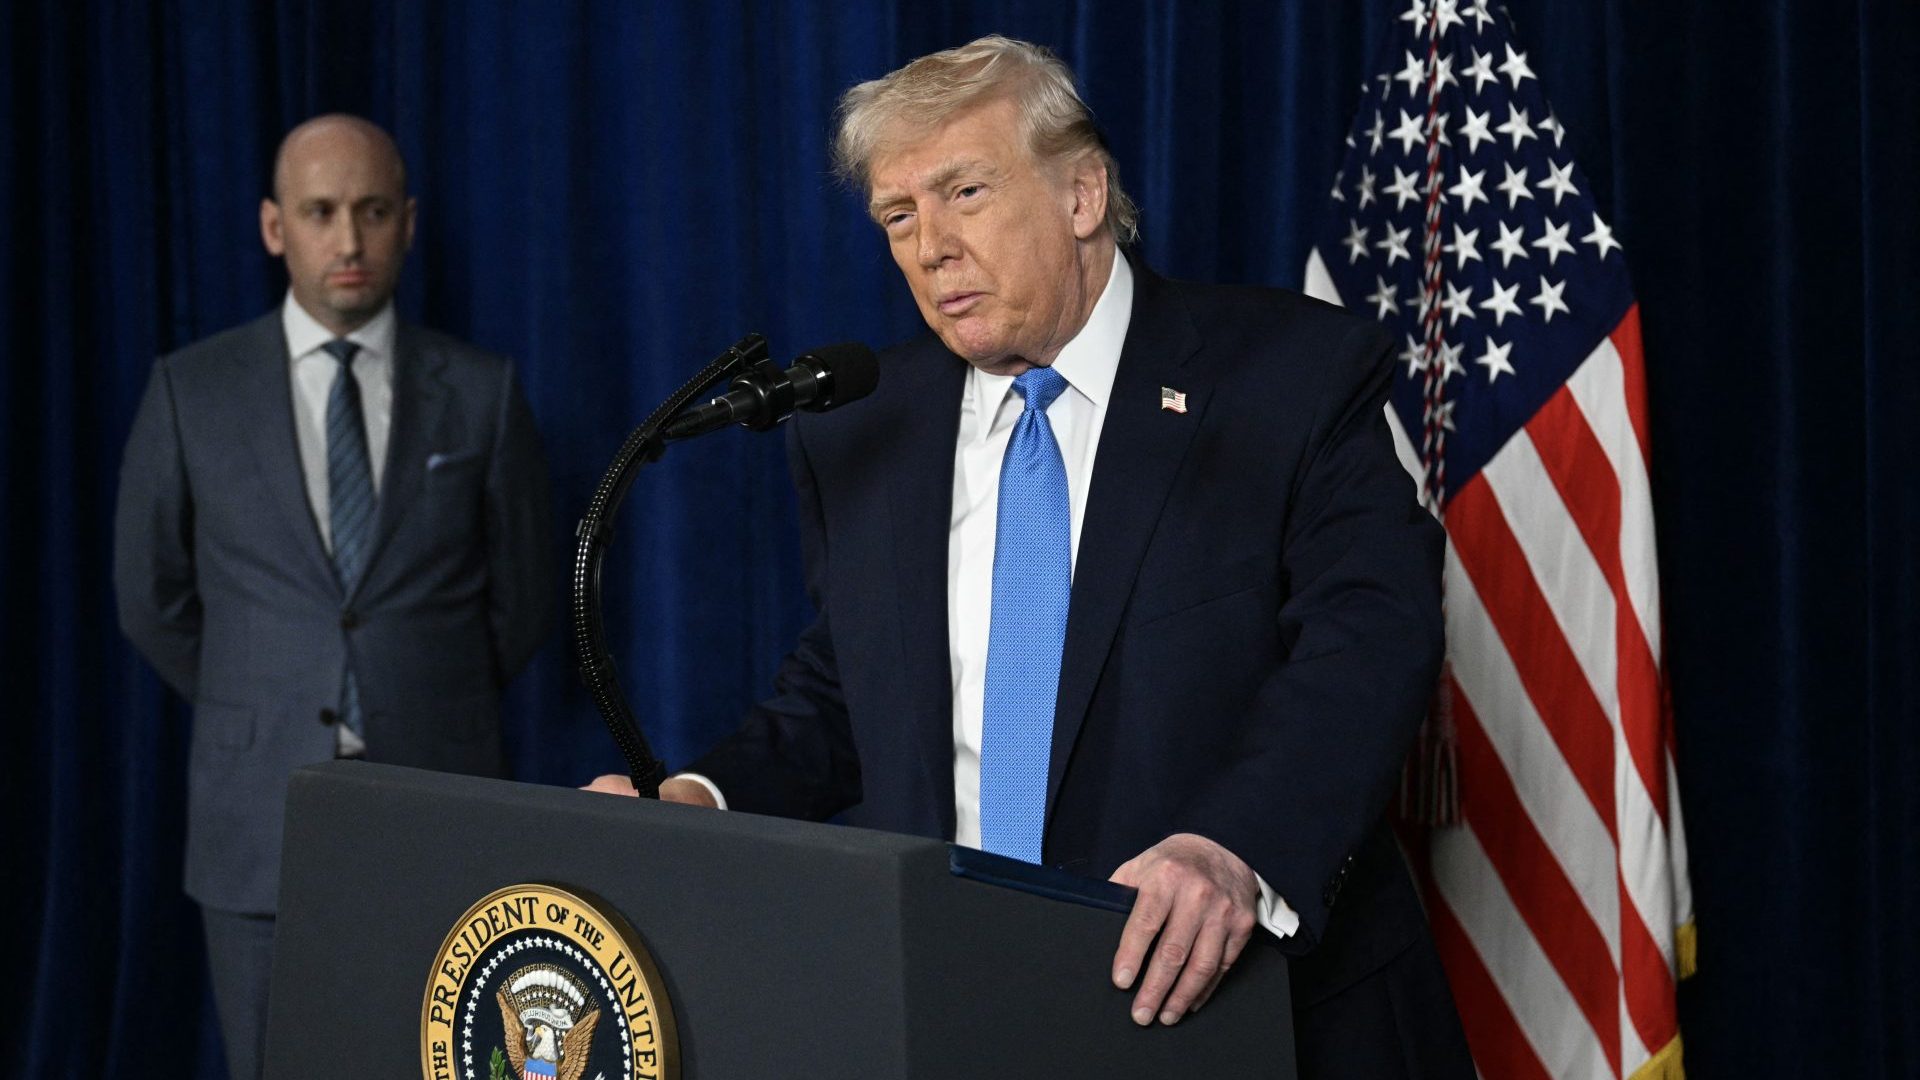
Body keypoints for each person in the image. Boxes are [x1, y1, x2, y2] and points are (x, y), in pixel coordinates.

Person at [588, 36, 1471, 1076]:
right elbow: (846, 689)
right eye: (897, 217)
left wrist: (1235, 846)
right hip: (965, 1009)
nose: (930, 247)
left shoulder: (1288, 376)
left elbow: (1371, 638)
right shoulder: (866, 425)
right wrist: (708, 799)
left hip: (1251, 1014)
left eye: (965, 191)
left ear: (1083, 193)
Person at [114, 114, 555, 1080]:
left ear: (407, 222)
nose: (348, 241)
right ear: (277, 227)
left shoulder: (482, 391)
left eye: (371, 211)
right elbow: (150, 598)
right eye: (321, 213)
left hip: (443, 801)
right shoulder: (192, 390)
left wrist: (426, 694)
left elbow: (524, 599)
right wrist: (258, 694)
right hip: (256, 816)